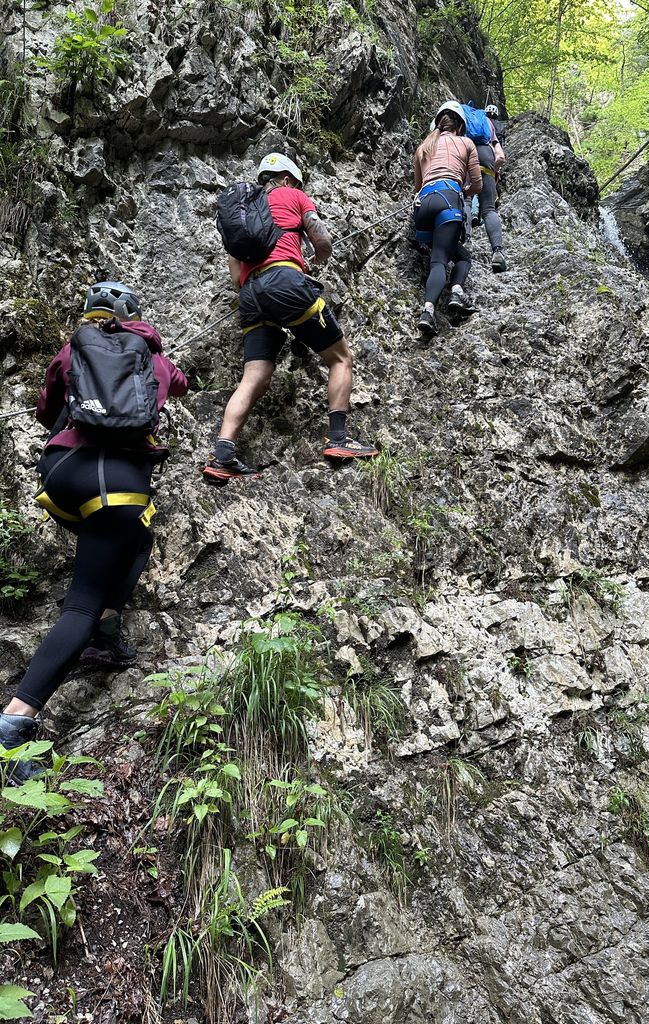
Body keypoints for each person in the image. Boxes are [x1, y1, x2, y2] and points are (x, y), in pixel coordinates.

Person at [0, 282, 188, 784]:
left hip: (63, 474)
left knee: (137, 538)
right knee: (82, 601)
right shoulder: (152, 357)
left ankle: (106, 631)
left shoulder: (72, 351)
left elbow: (46, 410)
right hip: (117, 480)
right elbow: (180, 385)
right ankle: (15, 721)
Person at [203, 153, 378, 483]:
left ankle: (222, 456)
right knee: (341, 358)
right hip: (286, 281)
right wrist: (312, 262)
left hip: (251, 296)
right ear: (286, 178)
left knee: (254, 377)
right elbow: (323, 241)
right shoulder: (293, 195)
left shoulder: (242, 212)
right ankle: (338, 439)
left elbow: (236, 278)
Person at [413, 101, 482, 338]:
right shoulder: (466, 143)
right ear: (460, 125)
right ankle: (443, 301)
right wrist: (463, 190)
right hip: (448, 200)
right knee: (445, 259)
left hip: (423, 206)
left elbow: (418, 185)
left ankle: (440, 303)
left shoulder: (424, 146)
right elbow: (478, 184)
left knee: (450, 254)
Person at [475, 106, 508, 272]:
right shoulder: (494, 127)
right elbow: (500, 156)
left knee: (467, 199)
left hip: (468, 157)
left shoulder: (472, 125)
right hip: (488, 157)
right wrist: (494, 171)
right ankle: (497, 252)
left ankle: (466, 235)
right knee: (489, 209)